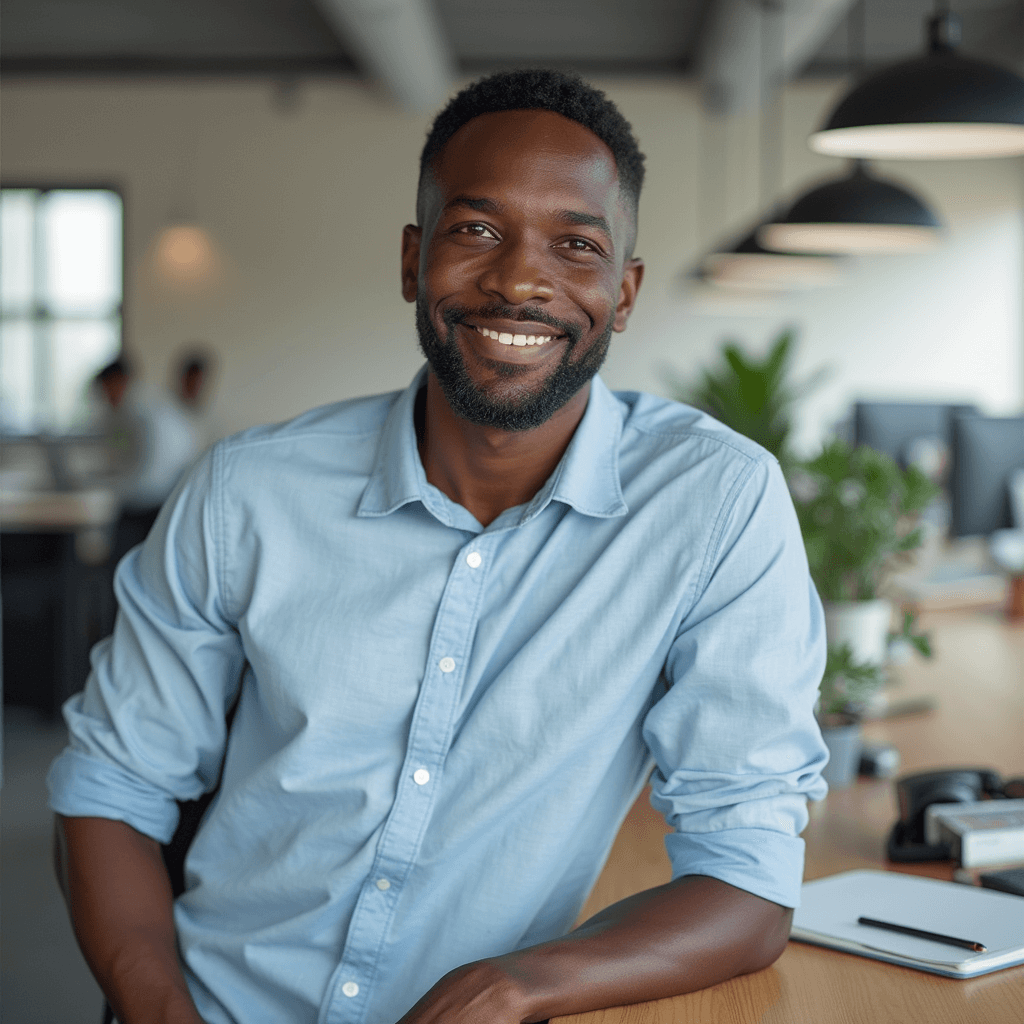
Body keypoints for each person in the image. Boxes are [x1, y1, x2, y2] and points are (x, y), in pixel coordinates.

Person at [48, 70, 828, 1024]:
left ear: (623, 294)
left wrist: (517, 985)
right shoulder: (243, 494)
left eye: (575, 245)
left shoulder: (712, 504)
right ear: (415, 260)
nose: (519, 280)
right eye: (476, 231)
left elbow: (747, 876)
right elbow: (112, 787)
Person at [93, 357, 201, 562]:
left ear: (121, 381)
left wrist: (114, 485)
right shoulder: (128, 411)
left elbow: (150, 467)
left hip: (153, 501)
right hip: (145, 498)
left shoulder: (144, 413)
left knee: (128, 560)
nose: (106, 397)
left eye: (108, 389)